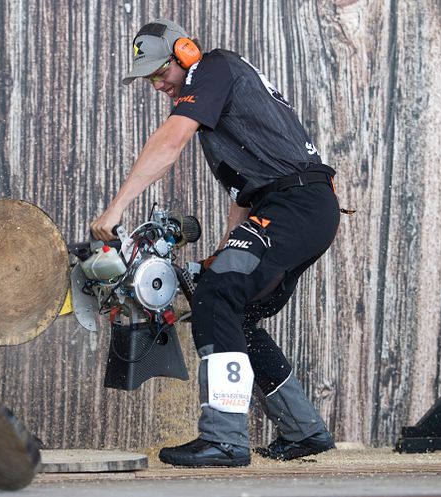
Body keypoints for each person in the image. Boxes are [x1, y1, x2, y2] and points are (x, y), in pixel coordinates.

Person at [90, 18, 340, 467]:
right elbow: (244, 197)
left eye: (160, 71)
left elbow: (170, 140)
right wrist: (224, 252)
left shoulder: (213, 69)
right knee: (231, 307)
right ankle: (303, 432)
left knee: (216, 294)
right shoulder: (220, 102)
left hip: (298, 203)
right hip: (292, 205)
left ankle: (224, 439)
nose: (157, 83)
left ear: (185, 52)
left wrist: (117, 208)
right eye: (148, 76)